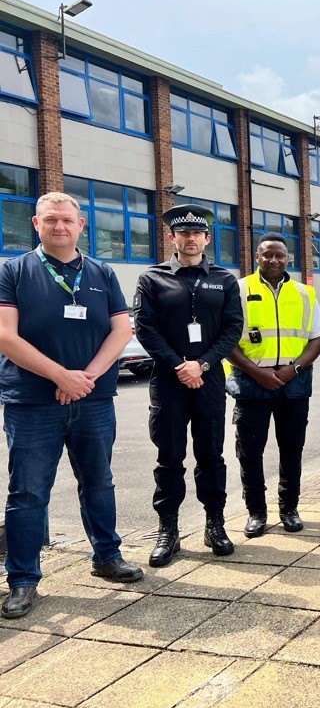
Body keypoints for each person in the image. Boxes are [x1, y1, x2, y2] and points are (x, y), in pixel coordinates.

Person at [0, 193, 143, 619]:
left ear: (82, 225)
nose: (59, 226)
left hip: (93, 399)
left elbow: (120, 331)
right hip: (31, 402)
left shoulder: (101, 271)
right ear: (36, 223)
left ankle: (106, 557)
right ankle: (23, 580)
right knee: (28, 492)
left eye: (67, 220)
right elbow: (6, 336)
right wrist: (60, 376)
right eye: (51, 220)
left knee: (99, 481)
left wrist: (86, 379)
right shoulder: (13, 270)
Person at [134, 205, 243, 566]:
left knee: (211, 455)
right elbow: (145, 328)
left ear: (207, 239)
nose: (191, 238)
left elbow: (232, 329)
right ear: (172, 238)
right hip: (169, 380)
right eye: (183, 233)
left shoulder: (224, 280)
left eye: (197, 233)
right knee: (169, 457)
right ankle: (169, 530)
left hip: (209, 378)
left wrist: (204, 363)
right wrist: (179, 365)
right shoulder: (153, 278)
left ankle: (215, 524)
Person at [226, 233, 320, 538]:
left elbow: (317, 338)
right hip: (251, 384)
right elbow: (226, 341)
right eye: (267, 255)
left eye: (279, 255)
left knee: (292, 450)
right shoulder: (239, 289)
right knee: (250, 452)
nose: (273, 260)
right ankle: (256, 512)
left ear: (288, 259)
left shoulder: (305, 293)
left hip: (293, 386)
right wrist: (258, 373)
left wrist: (292, 369)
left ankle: (289, 509)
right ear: (257, 257)